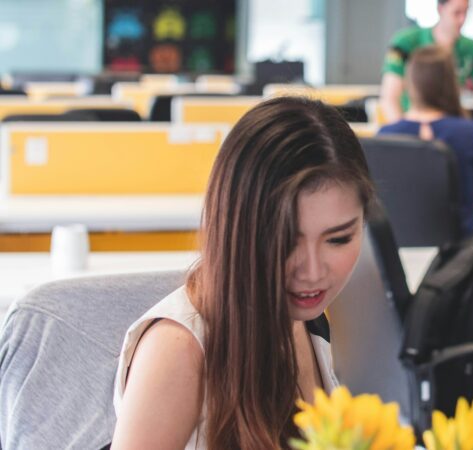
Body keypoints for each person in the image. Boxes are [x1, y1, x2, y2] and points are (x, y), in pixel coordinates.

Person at [112, 97, 375, 449]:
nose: (313, 272)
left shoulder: (306, 321)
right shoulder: (178, 352)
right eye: (285, 240)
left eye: (339, 238)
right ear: (239, 230)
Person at [378, 45, 473, 237]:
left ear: (410, 84)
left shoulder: (385, 136)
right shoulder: (467, 132)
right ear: (451, 85)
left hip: (398, 252)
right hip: (458, 254)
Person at [379, 0, 473, 124]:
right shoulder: (405, 42)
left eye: (466, 12)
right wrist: (405, 134)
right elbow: (390, 98)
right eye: (456, 13)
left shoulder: (472, 48)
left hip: (449, 126)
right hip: (413, 123)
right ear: (440, 9)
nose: (462, 20)